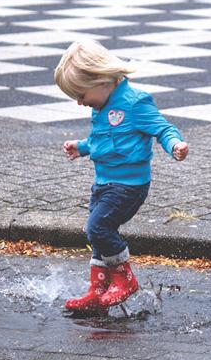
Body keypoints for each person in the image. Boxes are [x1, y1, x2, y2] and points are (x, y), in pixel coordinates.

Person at [54, 39, 189, 313]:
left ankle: (125, 281)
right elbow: (102, 140)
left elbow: (162, 128)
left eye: (81, 94)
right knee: (98, 235)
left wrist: (175, 144)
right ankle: (98, 290)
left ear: (102, 80)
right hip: (103, 184)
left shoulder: (134, 102)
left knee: (98, 228)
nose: (80, 103)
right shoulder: (100, 107)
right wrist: (81, 147)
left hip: (128, 186)